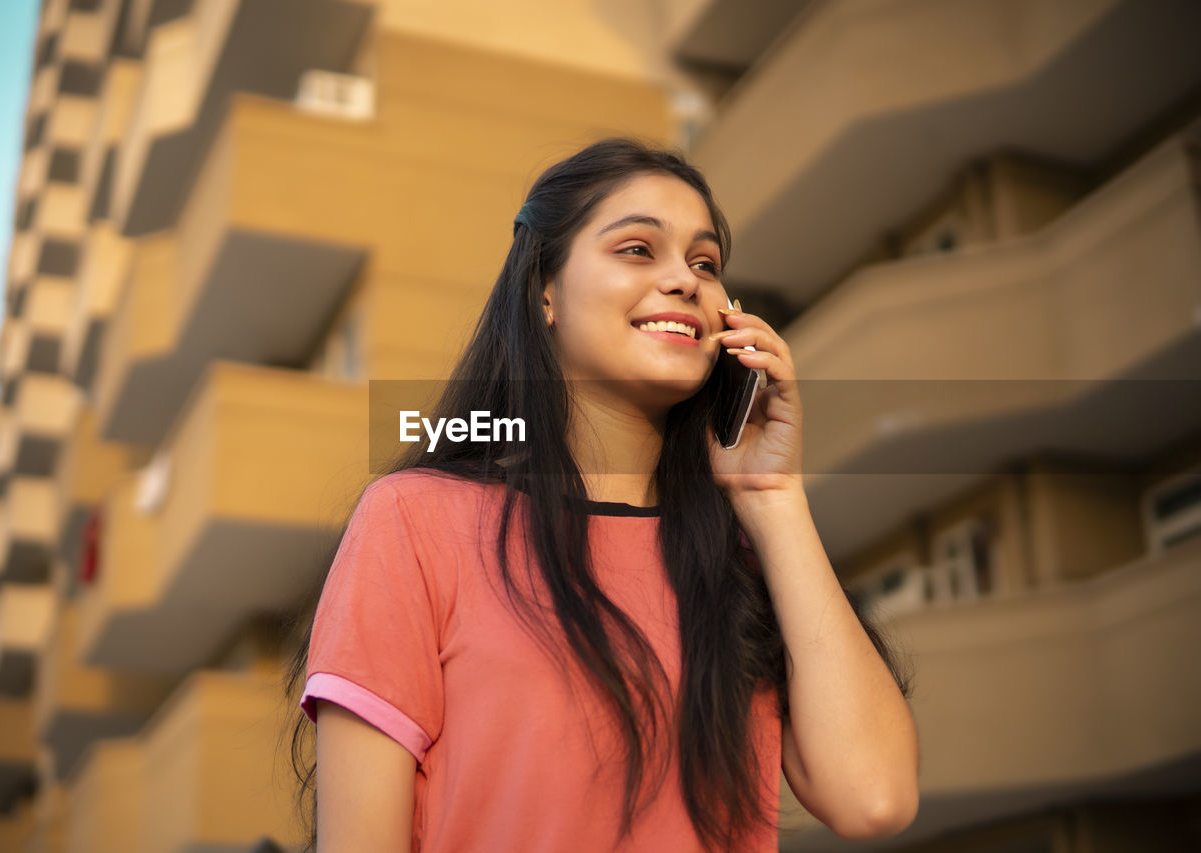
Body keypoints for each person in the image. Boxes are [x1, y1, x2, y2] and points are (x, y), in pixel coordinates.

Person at [283, 138, 919, 852]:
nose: (684, 279)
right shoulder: (416, 519)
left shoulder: (740, 562)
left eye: (705, 263)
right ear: (544, 290)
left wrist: (773, 499)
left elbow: (876, 798)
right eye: (638, 249)